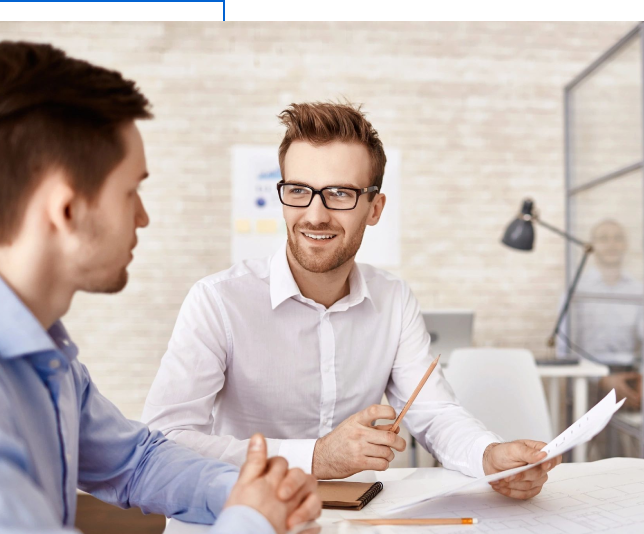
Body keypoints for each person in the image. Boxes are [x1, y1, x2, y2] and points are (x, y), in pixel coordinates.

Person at [0, 41, 320, 534]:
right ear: (67, 208)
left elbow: (134, 461)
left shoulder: (46, 356)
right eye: (130, 192)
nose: (142, 218)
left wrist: (253, 489)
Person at [143, 101, 560, 499]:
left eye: (340, 193)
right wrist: (317, 458)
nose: (315, 214)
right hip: (244, 515)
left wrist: (488, 457)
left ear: (374, 208)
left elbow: (434, 414)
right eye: (299, 191)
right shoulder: (217, 301)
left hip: (361, 521)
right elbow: (166, 441)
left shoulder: (393, 300)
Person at [559, 219, 643, 410]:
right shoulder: (575, 289)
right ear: (592, 245)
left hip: (629, 375)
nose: (611, 244)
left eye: (617, 238)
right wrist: (600, 378)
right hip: (586, 377)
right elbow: (563, 349)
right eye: (604, 238)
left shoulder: (639, 290)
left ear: (626, 245)